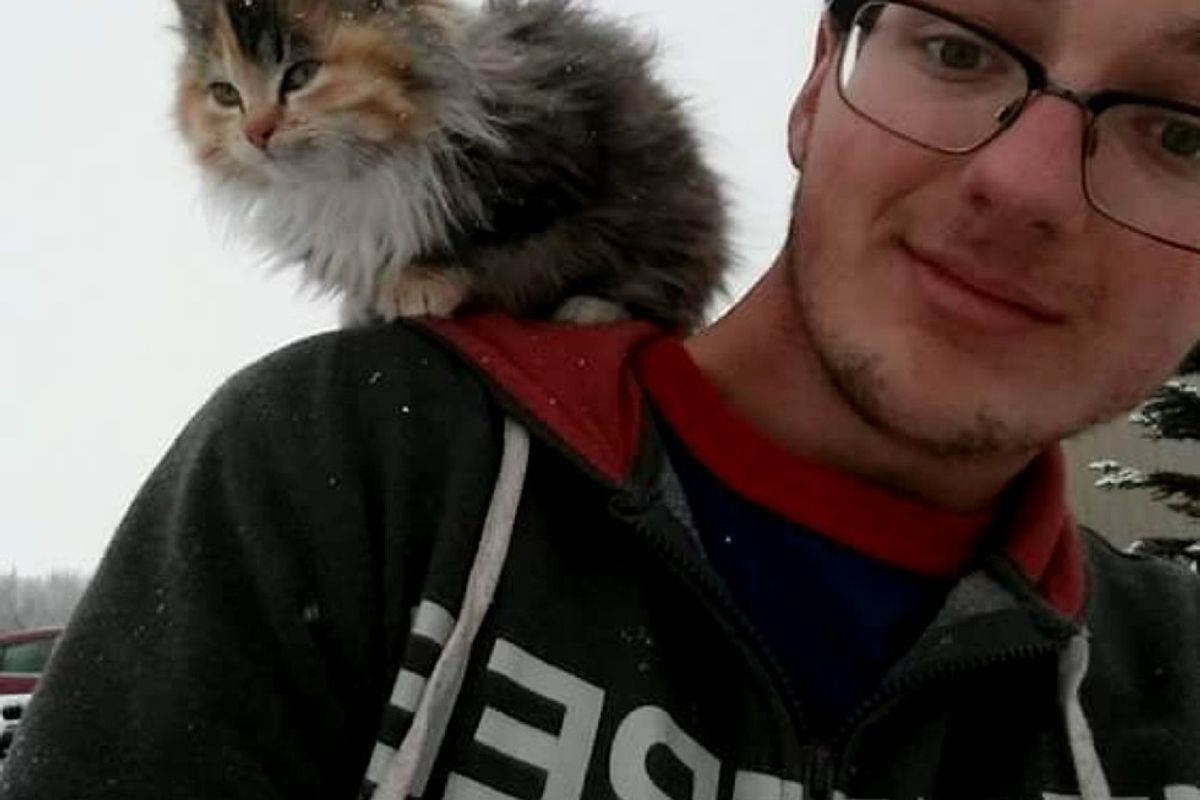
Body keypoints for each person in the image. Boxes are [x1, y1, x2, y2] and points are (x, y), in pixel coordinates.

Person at [3, 0, 1199, 796]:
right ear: (810, 89)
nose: (1025, 184)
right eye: (958, 47)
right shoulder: (352, 472)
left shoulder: (1179, 688)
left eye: (1181, 131)